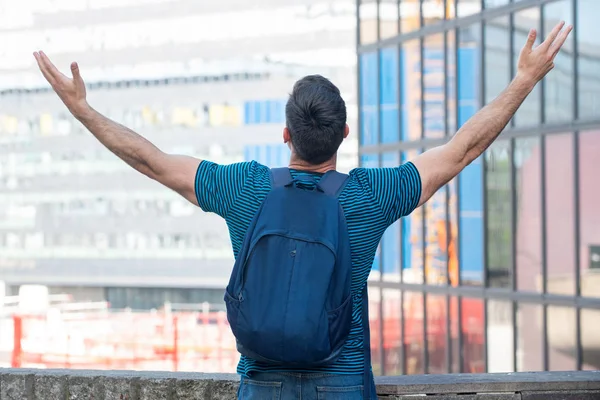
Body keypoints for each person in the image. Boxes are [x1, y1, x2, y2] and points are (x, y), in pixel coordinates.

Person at [34, 21, 571, 400]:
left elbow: (150, 161)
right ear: (344, 135)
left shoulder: (243, 188)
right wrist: (524, 80)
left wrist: (83, 110)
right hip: (340, 380)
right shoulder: (367, 196)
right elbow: (460, 152)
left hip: (260, 382)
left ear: (286, 133)